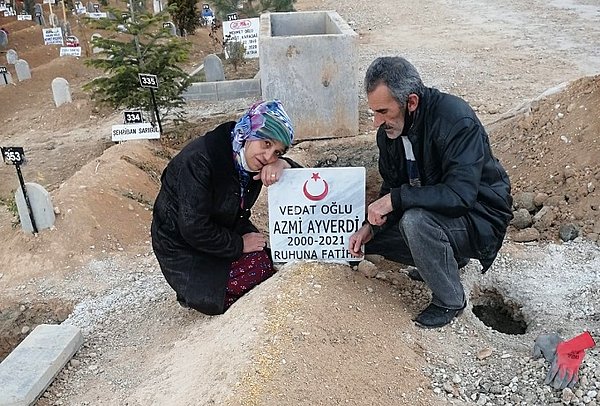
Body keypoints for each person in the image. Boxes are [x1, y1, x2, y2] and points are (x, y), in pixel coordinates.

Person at [348, 56, 513, 328]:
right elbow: (392, 184)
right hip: (435, 212)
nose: (377, 121)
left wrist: (395, 199)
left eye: (384, 112)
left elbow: (460, 196)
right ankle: (448, 258)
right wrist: (370, 227)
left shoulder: (455, 120)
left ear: (411, 102)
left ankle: (449, 299)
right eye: (374, 112)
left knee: (415, 222)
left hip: (479, 216)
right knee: (368, 242)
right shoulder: (389, 133)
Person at [151, 100, 301, 315]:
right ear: (249, 131)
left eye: (277, 151)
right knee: (252, 273)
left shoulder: (246, 158)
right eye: (266, 143)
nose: (268, 157)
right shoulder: (199, 160)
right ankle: (195, 291)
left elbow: (305, 178)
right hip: (183, 245)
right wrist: (239, 244)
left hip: (225, 224)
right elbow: (193, 227)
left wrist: (283, 164)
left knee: (272, 258)